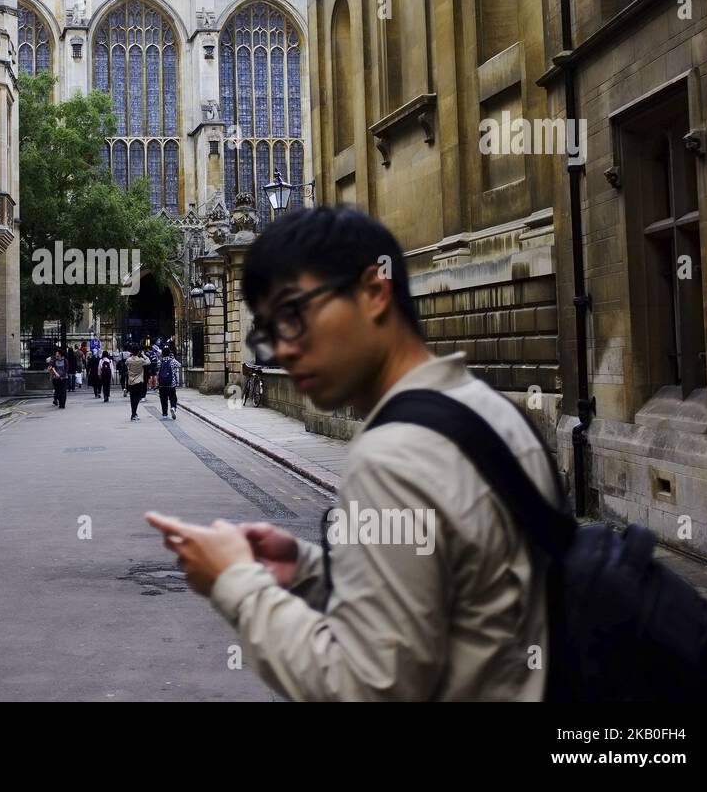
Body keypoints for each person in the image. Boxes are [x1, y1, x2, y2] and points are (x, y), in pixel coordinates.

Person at [145, 205, 561, 701]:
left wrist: (234, 583)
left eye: (294, 317)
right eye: (270, 328)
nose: (282, 347)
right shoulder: (483, 410)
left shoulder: (393, 457)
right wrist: (307, 571)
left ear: (374, 293)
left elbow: (364, 687)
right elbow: (456, 604)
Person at [124, 345, 150, 421]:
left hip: (131, 381)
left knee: (132, 398)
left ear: (132, 352)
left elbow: (126, 364)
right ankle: (134, 413)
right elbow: (148, 362)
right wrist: (143, 355)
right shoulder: (141, 360)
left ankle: (133, 413)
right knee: (137, 398)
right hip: (139, 381)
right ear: (138, 351)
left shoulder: (128, 360)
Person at [157, 347, 181, 418]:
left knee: (163, 399)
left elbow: (158, 369)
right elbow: (179, 365)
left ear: (162, 354)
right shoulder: (172, 361)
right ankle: (173, 407)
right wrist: (173, 358)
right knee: (173, 398)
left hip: (162, 384)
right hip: (171, 383)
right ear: (169, 353)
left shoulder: (159, 361)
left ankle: (164, 414)